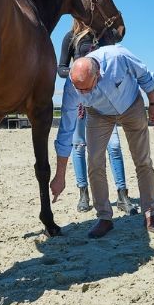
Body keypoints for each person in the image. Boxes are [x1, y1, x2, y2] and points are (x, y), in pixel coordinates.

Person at [50, 45, 154, 238]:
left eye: (87, 89)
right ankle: (104, 217)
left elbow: (144, 76)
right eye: (79, 90)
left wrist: (153, 103)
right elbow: (66, 130)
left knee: (143, 160)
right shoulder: (71, 88)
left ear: (98, 74)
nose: (82, 94)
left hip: (131, 105)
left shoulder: (118, 57)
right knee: (94, 162)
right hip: (99, 114)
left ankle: (150, 213)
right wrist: (60, 175)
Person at [54, 21, 137, 215]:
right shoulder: (70, 37)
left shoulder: (103, 36)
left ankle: (122, 194)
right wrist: (80, 72)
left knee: (114, 146)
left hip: (100, 98)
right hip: (79, 94)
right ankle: (83, 193)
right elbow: (61, 69)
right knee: (79, 145)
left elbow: (117, 45)